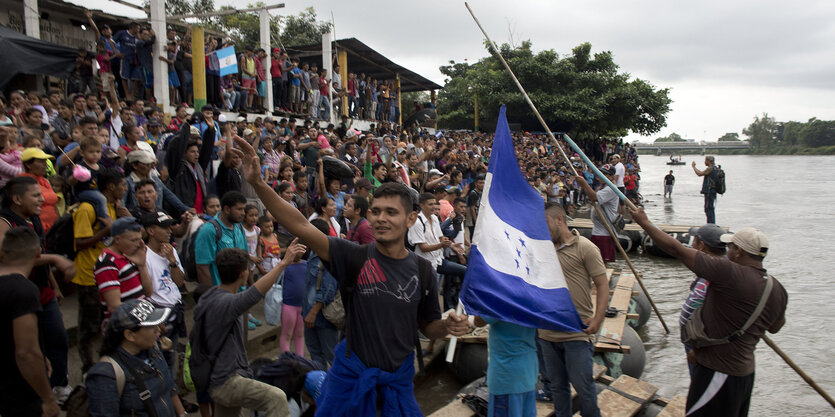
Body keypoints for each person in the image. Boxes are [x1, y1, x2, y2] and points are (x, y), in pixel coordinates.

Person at [231, 135, 470, 416]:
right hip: (349, 382)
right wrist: (258, 183)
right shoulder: (354, 256)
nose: (381, 218)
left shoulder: (422, 270)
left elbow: (428, 327)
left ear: (410, 219)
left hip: (398, 386)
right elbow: (297, 223)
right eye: (376, 211)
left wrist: (448, 327)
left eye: (391, 212)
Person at [630, 208, 787, 417]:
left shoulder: (728, 272)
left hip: (718, 371)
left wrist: (645, 223)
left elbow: (676, 249)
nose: (727, 251)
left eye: (730, 246)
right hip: (745, 373)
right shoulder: (777, 289)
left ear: (739, 252)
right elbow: (775, 327)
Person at [192, 243, 306, 417]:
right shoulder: (225, 304)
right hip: (226, 382)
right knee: (276, 398)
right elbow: (255, 293)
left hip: (218, 380)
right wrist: (283, 263)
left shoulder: (213, 296)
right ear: (244, 273)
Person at [540, 203, 607, 417]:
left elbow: (602, 283)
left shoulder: (585, 247)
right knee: (558, 388)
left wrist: (597, 318)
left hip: (576, 332)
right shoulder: (541, 251)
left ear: (559, 219)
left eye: (546, 223)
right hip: (547, 333)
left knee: (585, 388)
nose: (542, 229)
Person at [86, 299, 185, 417]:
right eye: (151, 326)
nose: (158, 330)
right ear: (130, 335)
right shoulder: (105, 375)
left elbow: (169, 387)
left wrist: (182, 414)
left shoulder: (153, 348)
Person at [73, 168, 129, 373]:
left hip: (110, 273)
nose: (125, 188)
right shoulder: (88, 209)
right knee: (90, 326)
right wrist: (107, 231)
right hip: (89, 275)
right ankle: (89, 368)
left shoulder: (114, 207)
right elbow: (79, 243)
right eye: (122, 185)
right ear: (111, 187)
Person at [0, 227, 60, 417]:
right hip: (16, 392)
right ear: (37, 253)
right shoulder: (23, 291)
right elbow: (26, 353)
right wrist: (48, 399)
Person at [140, 211, 186, 380]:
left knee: (171, 355)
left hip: (175, 308)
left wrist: (172, 261)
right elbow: (145, 291)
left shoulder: (171, 250)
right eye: (164, 228)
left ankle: (172, 394)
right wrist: (156, 320)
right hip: (159, 313)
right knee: (158, 359)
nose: (169, 231)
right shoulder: (144, 255)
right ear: (151, 231)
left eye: (170, 227)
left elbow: (180, 282)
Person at [679, 224, 726, 376]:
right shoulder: (708, 267)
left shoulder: (720, 273)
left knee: (702, 381)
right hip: (694, 338)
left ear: (702, 245)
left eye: (694, 240)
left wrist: (698, 348)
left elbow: (716, 316)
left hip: (702, 344)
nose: (691, 244)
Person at [94, 217, 153, 318]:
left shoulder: (130, 255)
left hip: (141, 319)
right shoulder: (107, 263)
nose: (138, 244)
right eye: (134, 240)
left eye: (140, 239)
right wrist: (146, 316)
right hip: (128, 325)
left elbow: (148, 292)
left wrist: (142, 266)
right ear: (117, 239)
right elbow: (114, 307)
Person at [194, 191, 249, 285]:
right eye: (239, 209)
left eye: (244, 209)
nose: (243, 213)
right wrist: (213, 295)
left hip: (238, 292)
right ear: (227, 209)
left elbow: (245, 257)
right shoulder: (209, 230)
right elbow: (202, 267)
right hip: (220, 292)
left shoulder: (239, 226)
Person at [575, 165, 619, 263]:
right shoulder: (602, 187)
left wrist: (584, 183)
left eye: (605, 174)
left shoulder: (611, 188)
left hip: (605, 232)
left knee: (600, 261)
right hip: (598, 230)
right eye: (601, 174)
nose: (602, 176)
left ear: (611, 177)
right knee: (596, 260)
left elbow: (594, 197)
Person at [19, 148, 59, 231]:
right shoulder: (22, 182)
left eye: (46, 161)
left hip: (53, 229)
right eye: (41, 161)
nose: (46, 165)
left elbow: (54, 205)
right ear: (28, 165)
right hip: (37, 230)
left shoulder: (45, 181)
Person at [692, 156, 718, 224]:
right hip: (713, 191)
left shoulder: (710, 169)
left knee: (708, 208)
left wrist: (694, 167)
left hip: (709, 191)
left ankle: (710, 224)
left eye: (705, 160)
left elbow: (699, 174)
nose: (704, 162)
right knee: (711, 208)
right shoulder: (715, 168)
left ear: (709, 161)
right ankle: (712, 224)